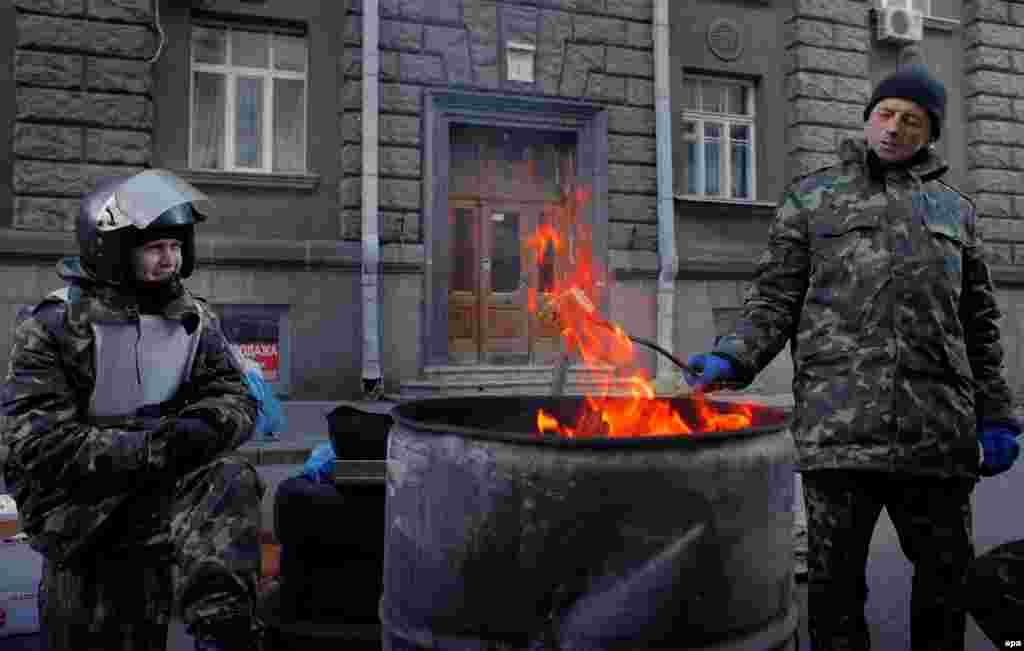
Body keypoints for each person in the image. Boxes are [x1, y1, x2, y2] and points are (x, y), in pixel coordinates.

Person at [683, 62, 1021, 650]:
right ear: (868, 119)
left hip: (935, 437)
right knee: (836, 595)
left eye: (911, 121)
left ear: (929, 135)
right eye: (885, 114)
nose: (894, 128)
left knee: (945, 588)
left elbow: (979, 326)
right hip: (840, 434)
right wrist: (732, 358)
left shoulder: (955, 211)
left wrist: (996, 415)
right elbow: (773, 299)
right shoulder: (813, 199)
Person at [0, 170, 265, 650]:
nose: (171, 260)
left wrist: (201, 428)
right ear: (114, 250)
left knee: (229, 476)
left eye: (177, 246)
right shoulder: (54, 326)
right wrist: (154, 447)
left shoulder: (193, 319)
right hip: (79, 514)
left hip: (156, 499)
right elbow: (33, 444)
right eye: (155, 248)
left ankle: (224, 624)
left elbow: (237, 397)